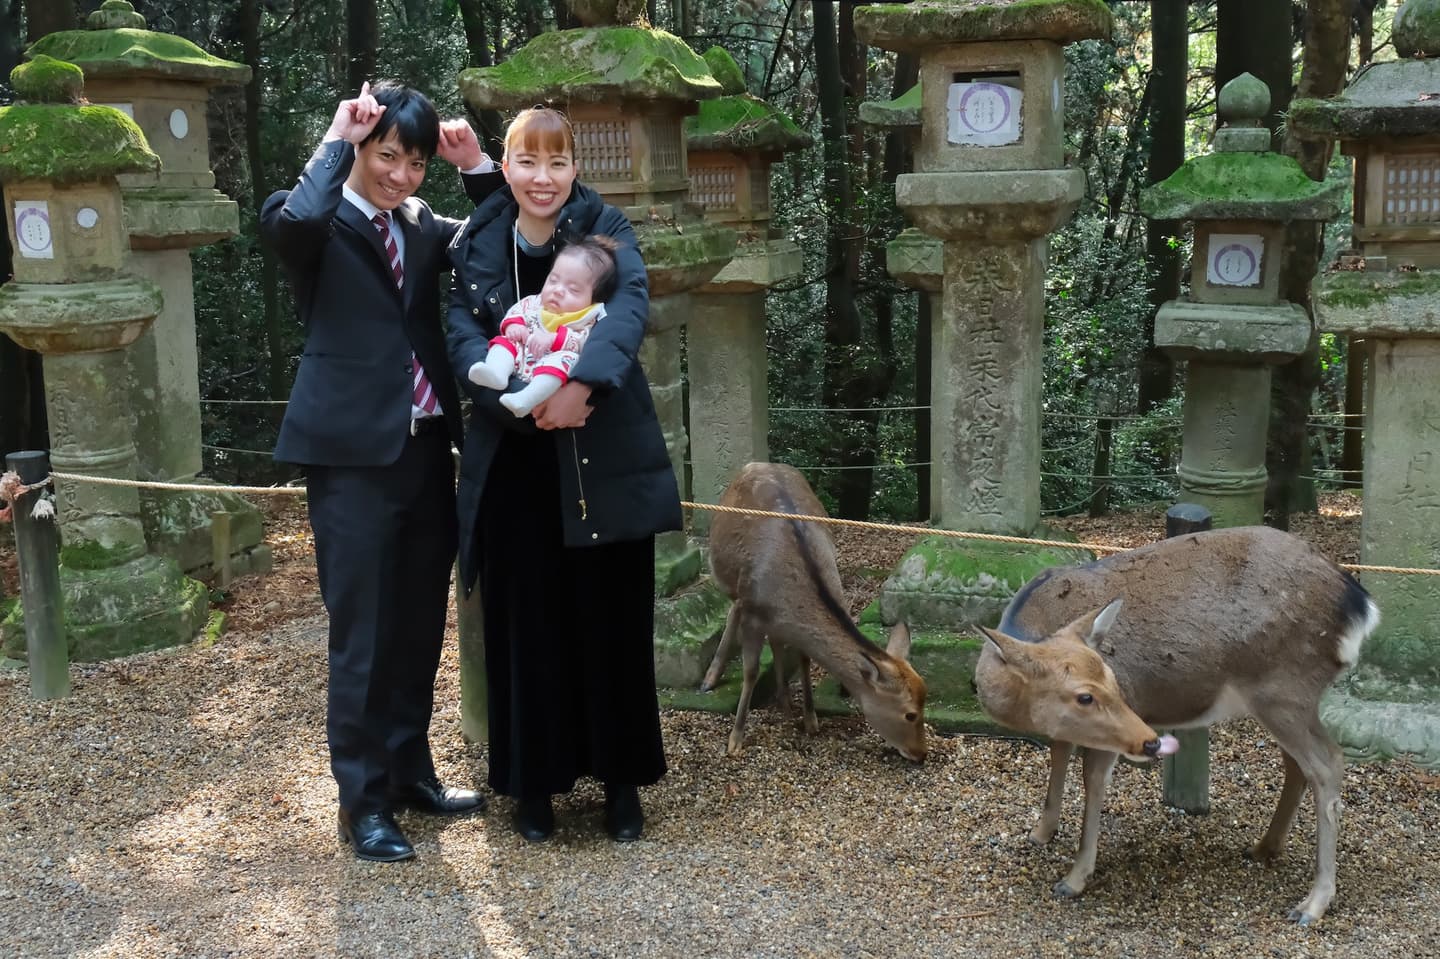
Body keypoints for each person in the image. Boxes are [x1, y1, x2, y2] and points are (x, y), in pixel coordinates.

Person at [261, 81, 502, 862]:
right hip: (350, 460)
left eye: (415, 162)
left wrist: (476, 167)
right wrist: (336, 133)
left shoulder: (426, 227)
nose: (400, 175)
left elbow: (510, 234)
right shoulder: (315, 218)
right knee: (362, 635)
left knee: (417, 627)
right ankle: (361, 803)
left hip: (428, 451)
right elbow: (294, 223)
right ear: (360, 150)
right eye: (386, 155)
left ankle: (410, 774)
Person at [447, 107, 681, 843]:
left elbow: (629, 306)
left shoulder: (605, 227)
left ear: (575, 167)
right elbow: (459, 330)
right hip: (516, 458)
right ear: (505, 167)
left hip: (598, 447)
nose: (541, 178)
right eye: (526, 162)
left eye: (556, 163)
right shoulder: (478, 238)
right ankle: (534, 785)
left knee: (609, 616)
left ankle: (620, 782)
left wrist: (581, 386)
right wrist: (518, 407)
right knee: (529, 622)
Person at [468, 235, 619, 418]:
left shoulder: (587, 317)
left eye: (573, 289)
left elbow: (585, 341)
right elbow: (517, 312)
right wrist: (515, 326)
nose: (558, 290)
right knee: (504, 342)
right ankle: (496, 373)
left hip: (551, 370)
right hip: (523, 355)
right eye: (553, 280)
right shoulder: (535, 302)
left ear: (594, 298)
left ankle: (525, 399)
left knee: (567, 359)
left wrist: (555, 339)